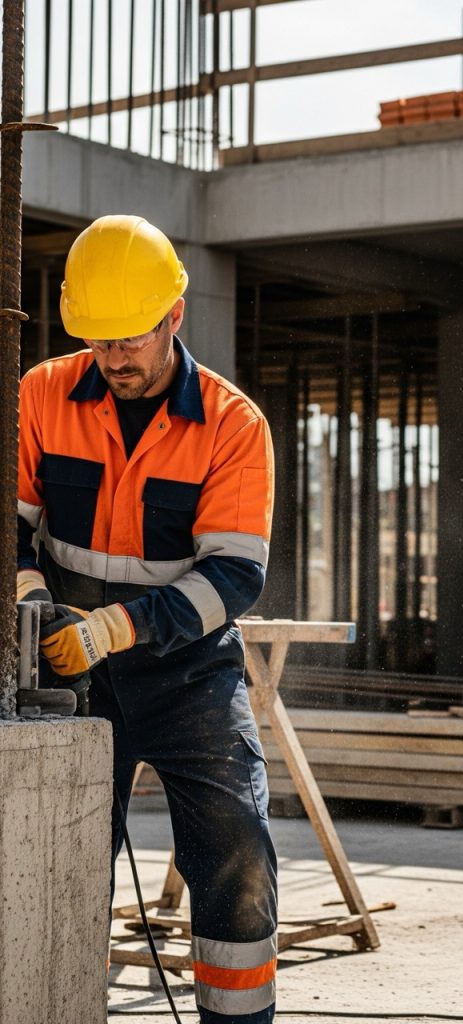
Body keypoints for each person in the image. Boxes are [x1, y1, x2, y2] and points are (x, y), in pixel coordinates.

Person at [16, 214, 278, 1023]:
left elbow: (234, 576)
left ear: (174, 316)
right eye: (98, 341)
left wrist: (116, 629)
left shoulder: (233, 427)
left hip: (189, 668)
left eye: (130, 338)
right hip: (66, 668)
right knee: (57, 855)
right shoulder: (41, 394)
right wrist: (31, 602)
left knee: (235, 844)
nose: (114, 358)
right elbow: (12, 527)